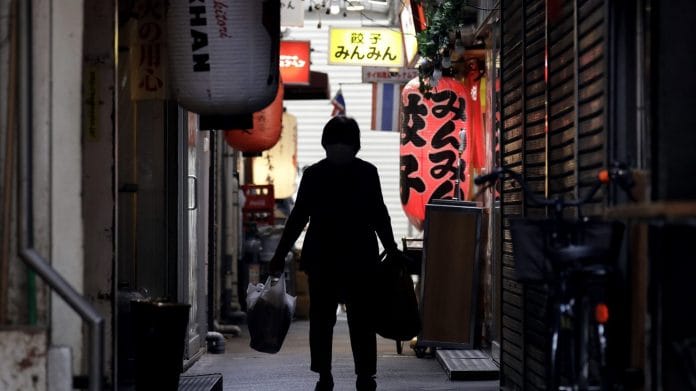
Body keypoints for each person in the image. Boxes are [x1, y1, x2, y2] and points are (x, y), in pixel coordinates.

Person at [269, 115, 399, 391]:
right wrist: (391, 249)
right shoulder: (367, 172)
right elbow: (380, 215)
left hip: (322, 258)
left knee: (321, 319)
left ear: (324, 143)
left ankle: (324, 375)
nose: (339, 147)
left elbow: (298, 218)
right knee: (362, 320)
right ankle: (364, 375)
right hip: (360, 258)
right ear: (357, 145)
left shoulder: (315, 174)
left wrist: (280, 255)